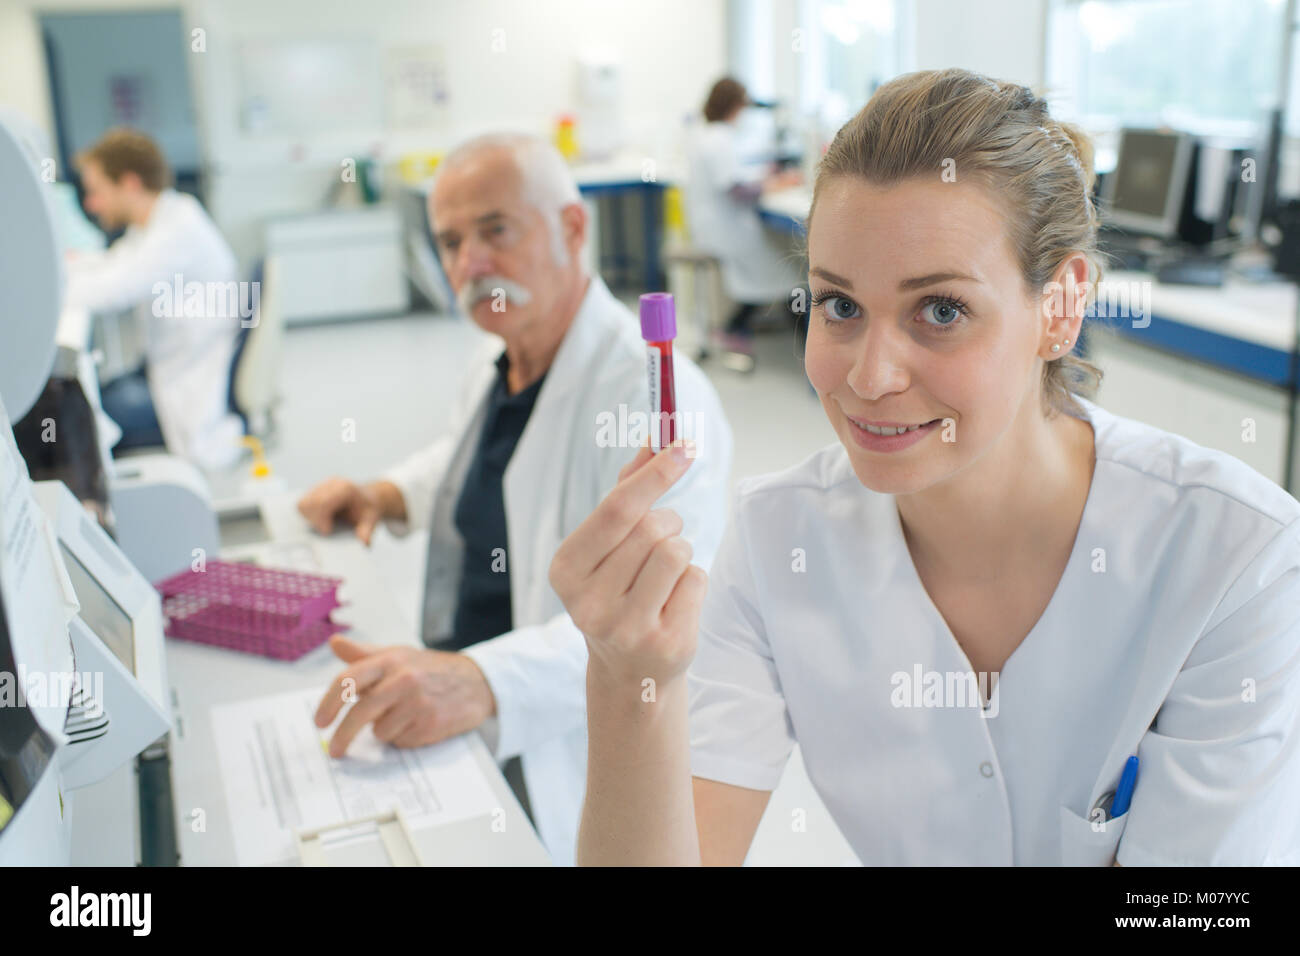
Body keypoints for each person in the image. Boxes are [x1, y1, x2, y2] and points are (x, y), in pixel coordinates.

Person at [550, 69, 1300, 866]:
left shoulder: (1235, 559)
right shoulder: (778, 543)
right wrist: (629, 683)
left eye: (941, 311)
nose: (871, 377)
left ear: (1061, 306)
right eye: (839, 306)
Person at [296, 133, 733, 867]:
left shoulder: (652, 399)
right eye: (450, 240)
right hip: (454, 722)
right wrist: (387, 493)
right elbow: (477, 462)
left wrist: (480, 682)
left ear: (571, 228)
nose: (470, 263)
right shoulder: (504, 360)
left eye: (494, 229)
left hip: (554, 754)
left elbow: (660, 624)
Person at [64, 128, 245, 470]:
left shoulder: (177, 232)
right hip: (171, 367)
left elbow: (113, 290)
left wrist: (43, 291)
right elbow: (114, 264)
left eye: (96, 192)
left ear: (130, 184)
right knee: (92, 397)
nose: (90, 204)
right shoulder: (163, 219)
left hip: (192, 385)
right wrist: (67, 268)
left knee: (77, 418)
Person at [684, 77, 805, 372]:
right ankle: (805, 350)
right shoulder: (720, 138)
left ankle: (735, 328)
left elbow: (732, 178)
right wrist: (776, 183)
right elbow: (737, 190)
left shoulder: (707, 135)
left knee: (773, 274)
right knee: (792, 276)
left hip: (714, 227)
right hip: (727, 232)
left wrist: (764, 178)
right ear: (736, 106)